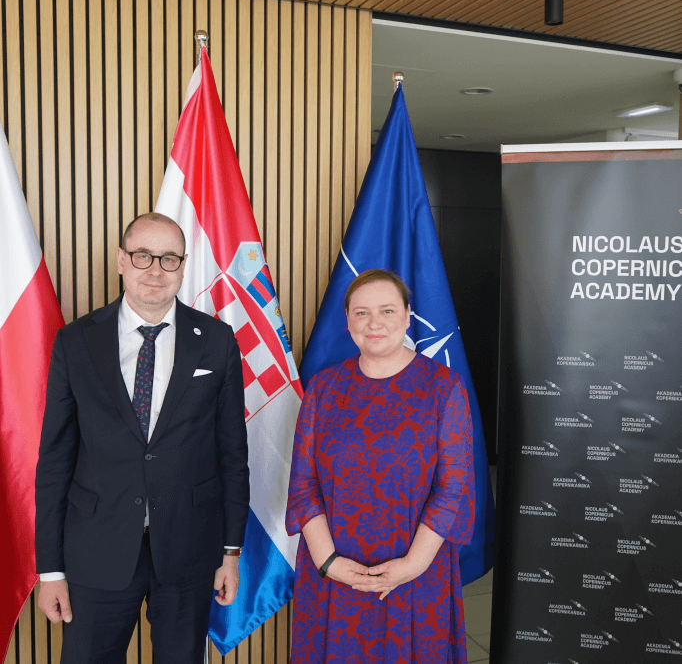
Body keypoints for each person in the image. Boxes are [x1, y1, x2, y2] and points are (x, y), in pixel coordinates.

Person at [35, 212, 249, 664]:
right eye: (143, 255)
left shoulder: (216, 340)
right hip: (96, 547)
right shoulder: (75, 342)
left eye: (169, 258)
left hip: (189, 549)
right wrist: (50, 569)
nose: (155, 269)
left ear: (183, 265)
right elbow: (55, 459)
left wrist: (231, 550)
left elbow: (232, 453)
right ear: (121, 261)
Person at [286, 268, 475, 664]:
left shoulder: (444, 387)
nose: (374, 323)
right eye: (361, 313)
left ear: (408, 316)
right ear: (348, 319)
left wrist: (412, 565)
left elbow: (453, 487)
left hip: (415, 570)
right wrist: (329, 563)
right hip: (335, 572)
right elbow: (303, 485)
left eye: (387, 311)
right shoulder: (323, 389)